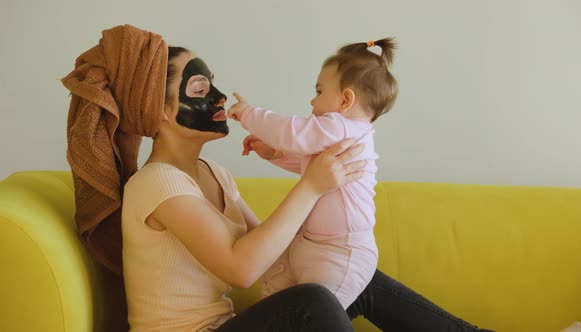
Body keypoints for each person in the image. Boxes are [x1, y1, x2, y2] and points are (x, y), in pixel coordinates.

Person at [63, 25, 493, 331]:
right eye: (199, 89)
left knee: (349, 274)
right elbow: (242, 268)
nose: (217, 96)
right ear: (158, 110)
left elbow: (269, 248)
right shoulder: (157, 182)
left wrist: (339, 244)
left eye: (213, 84)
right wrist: (312, 185)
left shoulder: (214, 173)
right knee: (312, 300)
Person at [226, 38, 395, 309]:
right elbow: (309, 162)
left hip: (341, 254)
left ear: (345, 100)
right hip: (310, 245)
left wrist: (249, 114)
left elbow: (294, 134)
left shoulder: (343, 127)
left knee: (316, 317)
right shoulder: (338, 136)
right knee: (275, 309)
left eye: (318, 91)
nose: (311, 100)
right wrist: (274, 153)